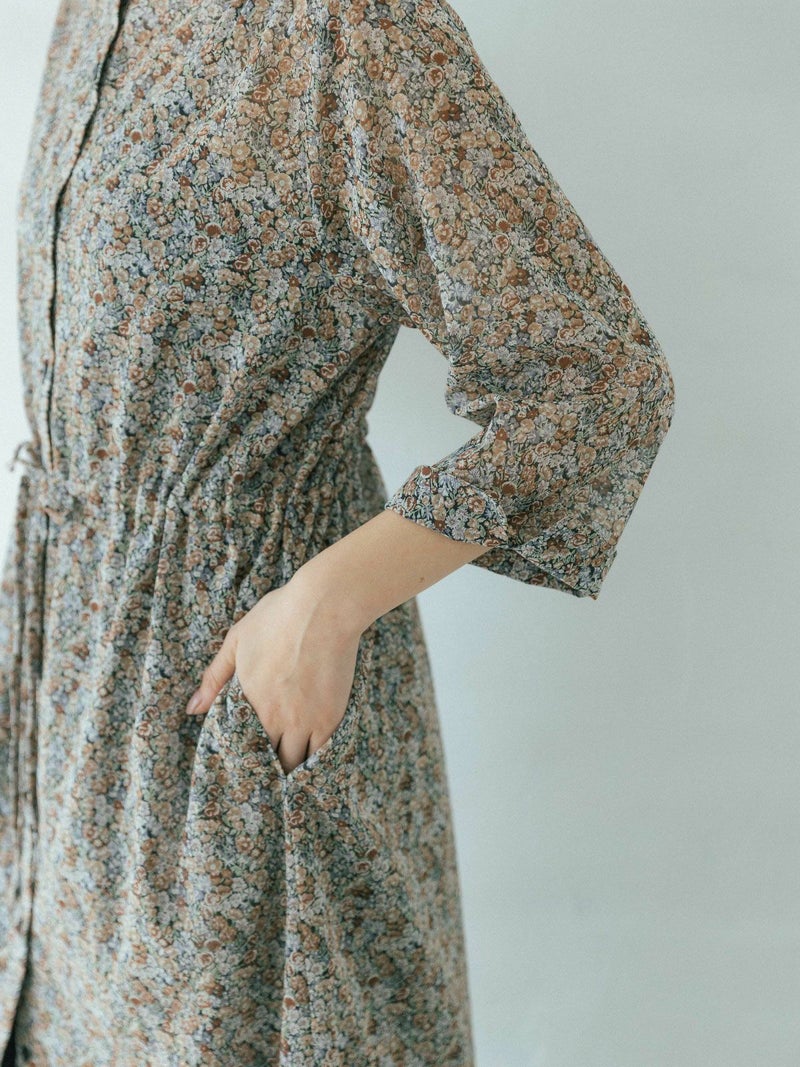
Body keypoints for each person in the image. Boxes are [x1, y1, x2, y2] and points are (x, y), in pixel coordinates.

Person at [0, 0, 675, 1062]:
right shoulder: (92, 13)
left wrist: (332, 597)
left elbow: (596, 381)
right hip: (68, 719)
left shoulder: (351, 29)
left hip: (233, 699)